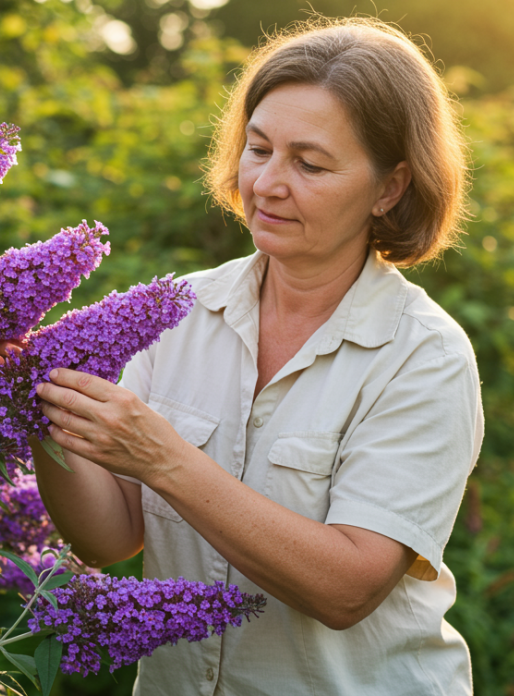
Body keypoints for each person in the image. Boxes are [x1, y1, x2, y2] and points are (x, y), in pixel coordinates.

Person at [25, 17, 483, 695]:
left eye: (309, 163)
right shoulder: (174, 312)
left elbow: (346, 589)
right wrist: (39, 414)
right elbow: (112, 535)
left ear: (389, 188)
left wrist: (164, 458)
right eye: (259, 149)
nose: (267, 183)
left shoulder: (422, 355)